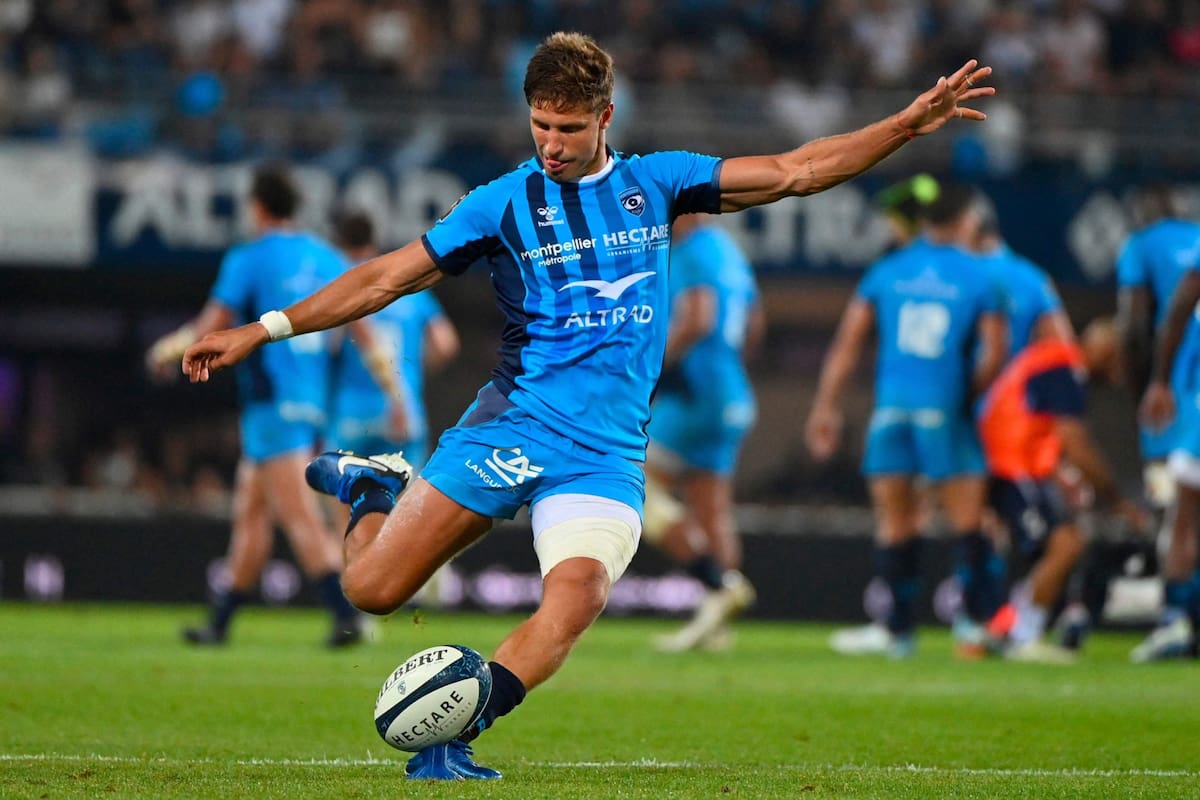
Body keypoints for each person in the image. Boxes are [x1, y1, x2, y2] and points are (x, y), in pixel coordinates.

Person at [181, 32, 994, 779]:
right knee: (370, 592)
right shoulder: (501, 204)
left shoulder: (659, 184)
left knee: (576, 599)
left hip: (604, 453)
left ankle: (461, 728)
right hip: (514, 423)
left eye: (568, 128)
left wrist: (905, 125)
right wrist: (265, 328)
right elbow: (385, 277)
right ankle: (373, 488)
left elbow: (798, 170)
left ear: (606, 117)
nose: (551, 144)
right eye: (539, 125)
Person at [146, 164, 363, 648]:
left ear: (257, 206)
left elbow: (214, 322)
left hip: (270, 404)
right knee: (251, 514)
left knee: (298, 516)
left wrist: (166, 352)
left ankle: (345, 616)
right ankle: (220, 624)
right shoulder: (324, 256)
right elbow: (351, 318)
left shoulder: (248, 257)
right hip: (311, 400)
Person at [805, 183, 1008, 659]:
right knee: (967, 522)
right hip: (944, 407)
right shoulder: (981, 276)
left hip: (891, 410)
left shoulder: (889, 269)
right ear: (964, 222)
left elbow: (848, 344)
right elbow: (995, 352)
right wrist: (969, 395)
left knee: (895, 521)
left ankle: (896, 631)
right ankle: (976, 630)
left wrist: (825, 406)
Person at [978, 318, 1146, 663]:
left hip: (1013, 462)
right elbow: (1075, 442)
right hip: (1012, 465)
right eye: (1113, 359)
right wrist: (1116, 499)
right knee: (1066, 543)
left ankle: (1007, 629)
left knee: (1059, 546)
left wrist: (1056, 474)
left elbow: (1034, 422)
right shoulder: (1065, 367)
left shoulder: (1051, 359)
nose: (1115, 371)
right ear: (1099, 350)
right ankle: (1024, 635)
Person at [640, 213, 764, 653]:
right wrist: (726, 373)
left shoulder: (690, 251)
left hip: (693, 394)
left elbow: (697, 319)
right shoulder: (729, 252)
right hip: (731, 392)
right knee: (713, 511)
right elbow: (754, 324)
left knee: (633, 487)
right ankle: (717, 628)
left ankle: (720, 583)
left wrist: (648, 371)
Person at [324, 210, 461, 529]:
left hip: (352, 416)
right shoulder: (406, 284)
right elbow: (446, 344)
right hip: (402, 414)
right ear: (374, 242)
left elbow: (329, 345)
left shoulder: (341, 284)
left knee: (348, 520)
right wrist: (410, 376)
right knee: (405, 521)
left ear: (340, 244)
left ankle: (352, 575)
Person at [1133, 195, 1200, 662]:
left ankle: (1176, 620)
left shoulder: (1142, 246)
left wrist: (1156, 382)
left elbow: (1171, 314)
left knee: (1184, 517)